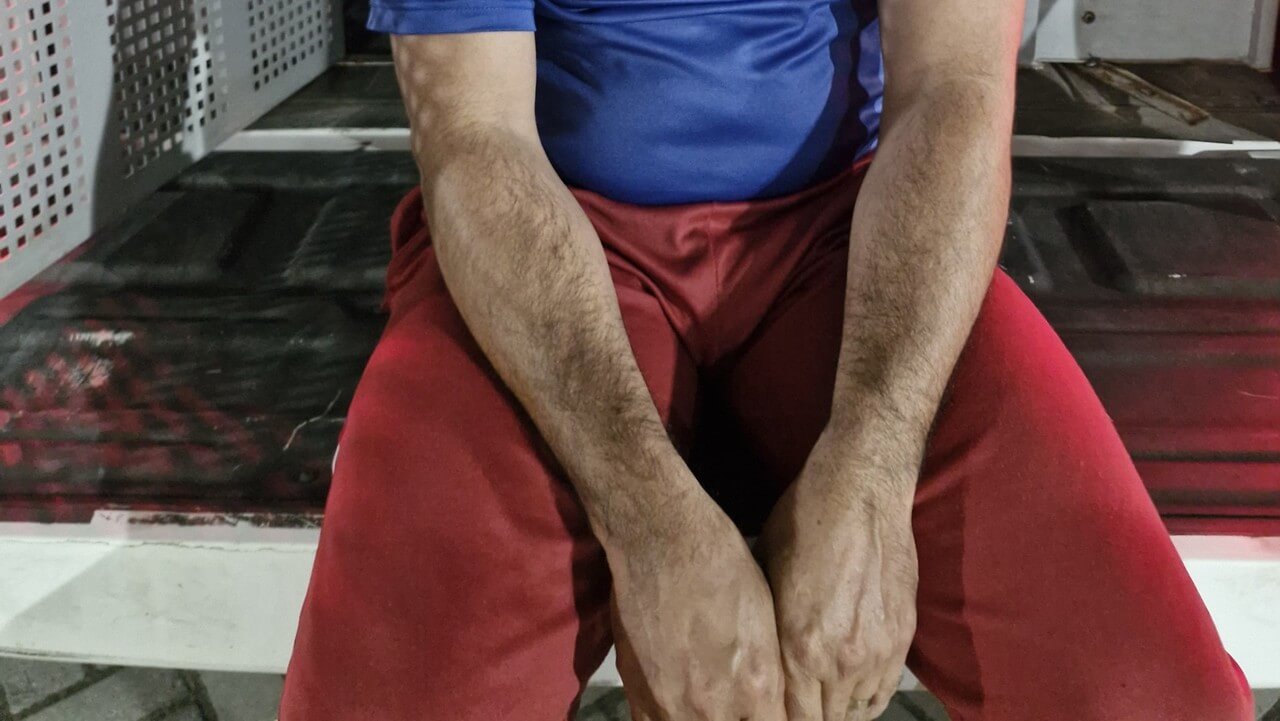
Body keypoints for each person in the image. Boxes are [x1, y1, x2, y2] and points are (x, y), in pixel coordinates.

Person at [278, 0, 1255, 718]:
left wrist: (872, 472)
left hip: (850, 240)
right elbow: (474, 136)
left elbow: (952, 86)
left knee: (1157, 700)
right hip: (548, 242)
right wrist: (648, 529)